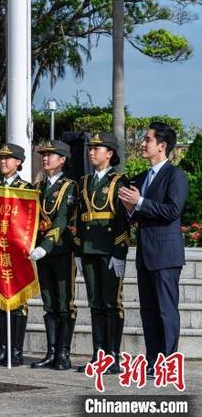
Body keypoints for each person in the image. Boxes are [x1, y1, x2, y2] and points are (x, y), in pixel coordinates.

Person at [118, 122, 188, 375]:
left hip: (166, 255)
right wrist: (131, 208)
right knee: (148, 311)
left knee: (166, 311)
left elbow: (172, 211)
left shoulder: (175, 175)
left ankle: (168, 363)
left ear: (162, 145)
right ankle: (153, 360)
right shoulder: (142, 178)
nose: (143, 143)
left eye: (148, 139)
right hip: (145, 253)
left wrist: (141, 201)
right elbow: (139, 214)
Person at [74, 133, 130, 374]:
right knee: (95, 303)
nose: (92, 152)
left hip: (109, 249)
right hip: (88, 248)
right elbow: (79, 217)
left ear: (110, 153)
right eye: (91, 148)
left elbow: (122, 220)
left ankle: (113, 356)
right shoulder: (84, 181)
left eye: (97, 148)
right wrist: (78, 248)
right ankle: (98, 355)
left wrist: (120, 252)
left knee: (111, 303)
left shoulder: (119, 181)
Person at [0, 144, 34, 366]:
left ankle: (16, 351)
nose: (3, 162)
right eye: (1, 158)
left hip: (17, 253)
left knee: (18, 303)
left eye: (8, 158)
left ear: (18, 163)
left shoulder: (27, 188)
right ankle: (3, 349)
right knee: (0, 301)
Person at [29, 140, 78, 370]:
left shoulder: (69, 186)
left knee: (64, 301)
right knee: (48, 302)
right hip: (41, 251)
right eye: (44, 154)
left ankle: (64, 352)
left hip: (60, 249)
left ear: (63, 159)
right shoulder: (38, 188)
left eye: (51, 154)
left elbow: (61, 219)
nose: (46, 158)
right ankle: (50, 351)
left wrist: (46, 245)